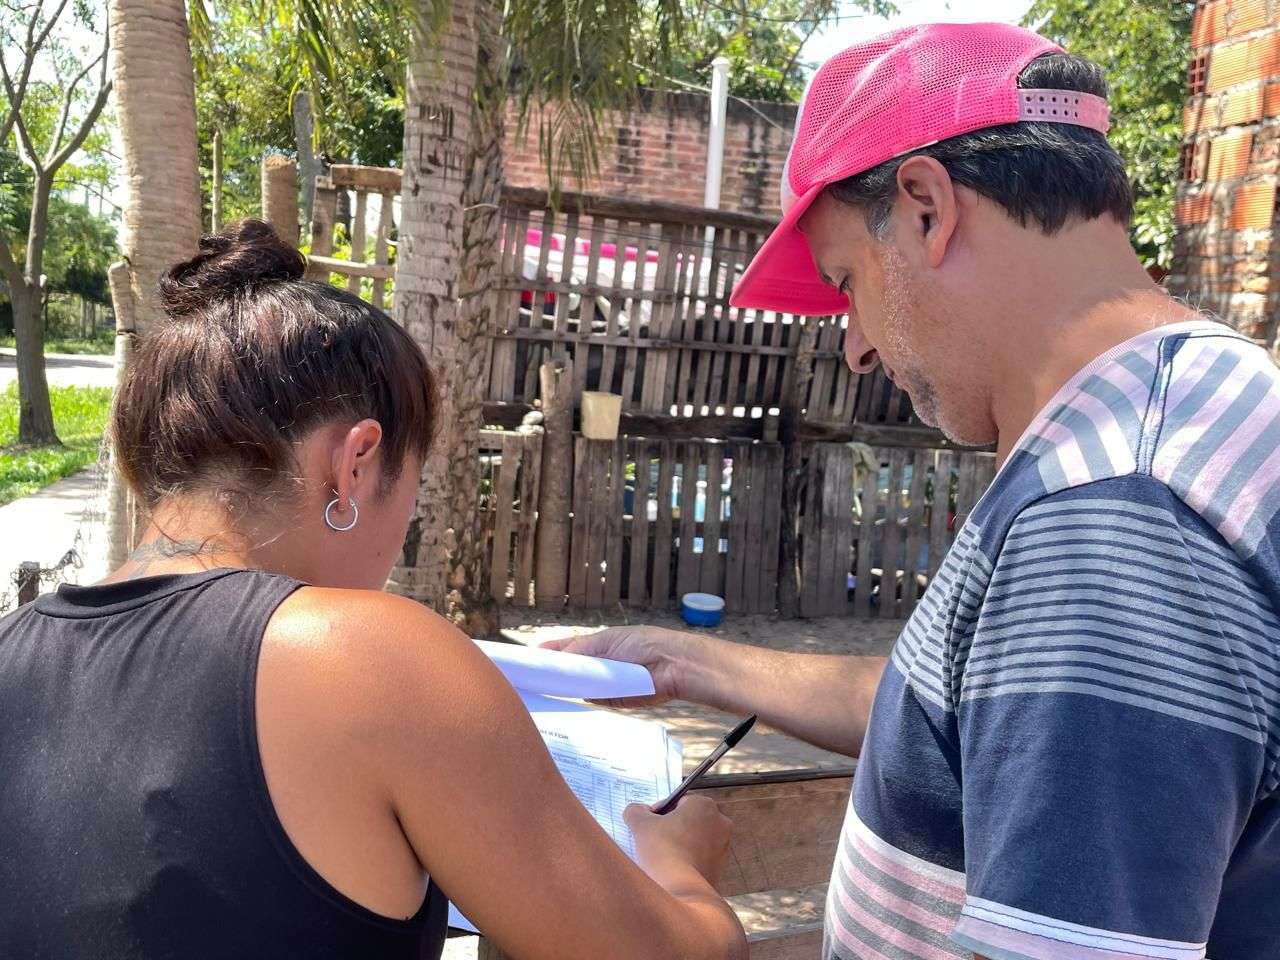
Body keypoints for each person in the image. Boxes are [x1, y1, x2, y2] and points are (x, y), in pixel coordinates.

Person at [546, 22, 1280, 960]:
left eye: (847, 281)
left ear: (927, 208)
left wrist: (676, 900)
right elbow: (987, 718)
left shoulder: (1108, 521)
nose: (855, 347)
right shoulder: (1198, 397)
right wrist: (683, 662)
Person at [0, 220, 747, 960]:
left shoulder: (12, 648)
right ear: (354, 464)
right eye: (410, 495)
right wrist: (679, 867)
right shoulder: (368, 656)